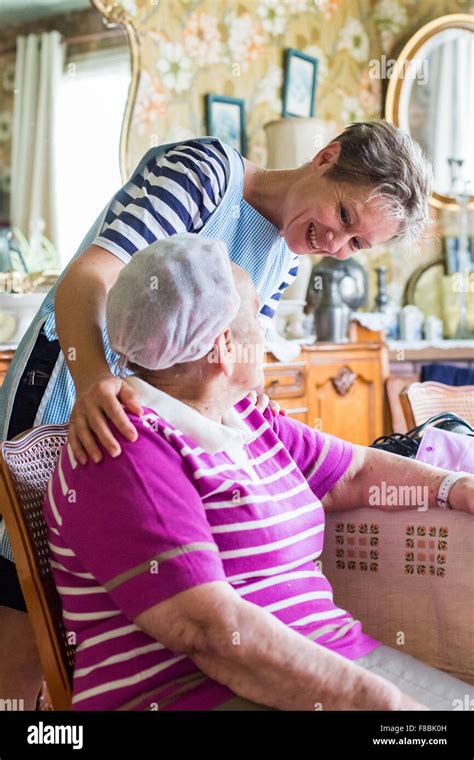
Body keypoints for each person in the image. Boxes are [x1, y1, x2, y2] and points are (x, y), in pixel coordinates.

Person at [0, 120, 432, 707]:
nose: (336, 244)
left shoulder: (286, 249)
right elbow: (91, 277)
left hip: (156, 432)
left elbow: (239, 373)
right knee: (28, 615)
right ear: (326, 157)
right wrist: (95, 382)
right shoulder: (207, 173)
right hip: (71, 379)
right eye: (346, 217)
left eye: (355, 244)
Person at [43, 235, 474, 711]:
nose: (266, 334)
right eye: (258, 316)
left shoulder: (244, 414)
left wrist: (455, 487)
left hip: (335, 661)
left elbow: (353, 472)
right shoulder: (124, 450)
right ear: (223, 347)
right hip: (204, 694)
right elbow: (209, 633)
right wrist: (378, 704)